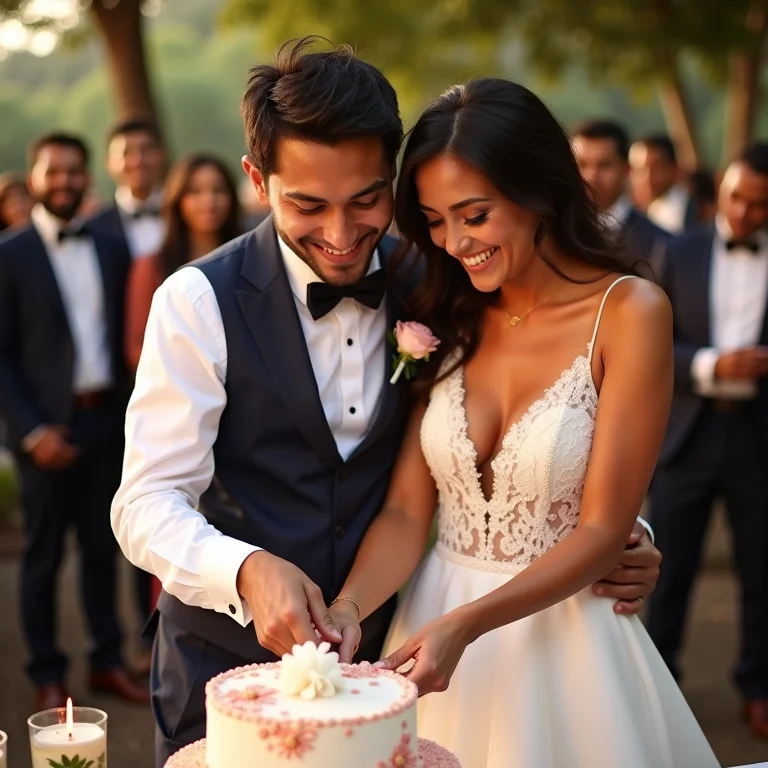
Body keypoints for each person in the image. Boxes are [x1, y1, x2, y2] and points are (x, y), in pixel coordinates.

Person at [110, 39, 661, 766]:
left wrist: (625, 530)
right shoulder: (193, 301)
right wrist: (244, 569)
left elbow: (535, 414)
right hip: (222, 666)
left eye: (367, 201)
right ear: (256, 178)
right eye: (308, 205)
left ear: (392, 177)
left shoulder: (438, 281)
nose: (341, 237)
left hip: (390, 663)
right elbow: (144, 500)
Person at [328, 79, 719, 768]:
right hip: (431, 632)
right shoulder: (445, 309)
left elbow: (603, 529)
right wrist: (350, 610)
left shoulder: (629, 313)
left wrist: (467, 625)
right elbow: (403, 512)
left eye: (474, 215)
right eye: (434, 220)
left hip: (565, 644)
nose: (454, 243)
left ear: (537, 191)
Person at [0, 132, 149, 711]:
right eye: (52, 171)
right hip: (43, 433)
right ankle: (46, 671)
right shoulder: (8, 254)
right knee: (42, 556)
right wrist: (32, 433)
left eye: (72, 171)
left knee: (101, 549)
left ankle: (107, 662)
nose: (63, 180)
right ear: (34, 177)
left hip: (105, 422)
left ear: (87, 177)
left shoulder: (112, 246)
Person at [647, 143, 768, 741]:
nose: (744, 213)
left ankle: (759, 687)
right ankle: (657, 684)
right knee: (668, 570)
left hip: (758, 437)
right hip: (687, 436)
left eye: (759, 205)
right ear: (721, 189)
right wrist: (714, 365)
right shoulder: (678, 250)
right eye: (736, 198)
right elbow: (653, 349)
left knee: (762, 572)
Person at [125, 154, 241, 372]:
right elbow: (136, 349)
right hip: (183, 391)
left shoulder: (251, 260)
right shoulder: (151, 266)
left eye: (218, 190)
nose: (209, 201)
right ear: (177, 199)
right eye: (195, 192)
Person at [571, 119, 671, 271]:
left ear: (626, 169)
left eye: (604, 165)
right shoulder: (555, 235)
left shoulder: (660, 244)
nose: (590, 176)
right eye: (582, 165)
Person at [88, 118, 167, 260]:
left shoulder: (184, 214)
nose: (137, 161)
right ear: (109, 163)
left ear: (161, 156)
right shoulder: (94, 229)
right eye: (126, 153)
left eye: (146, 150)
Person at [629, 134, 697, 234]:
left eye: (656, 168)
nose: (647, 178)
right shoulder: (638, 212)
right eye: (639, 170)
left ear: (674, 169)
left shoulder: (696, 211)